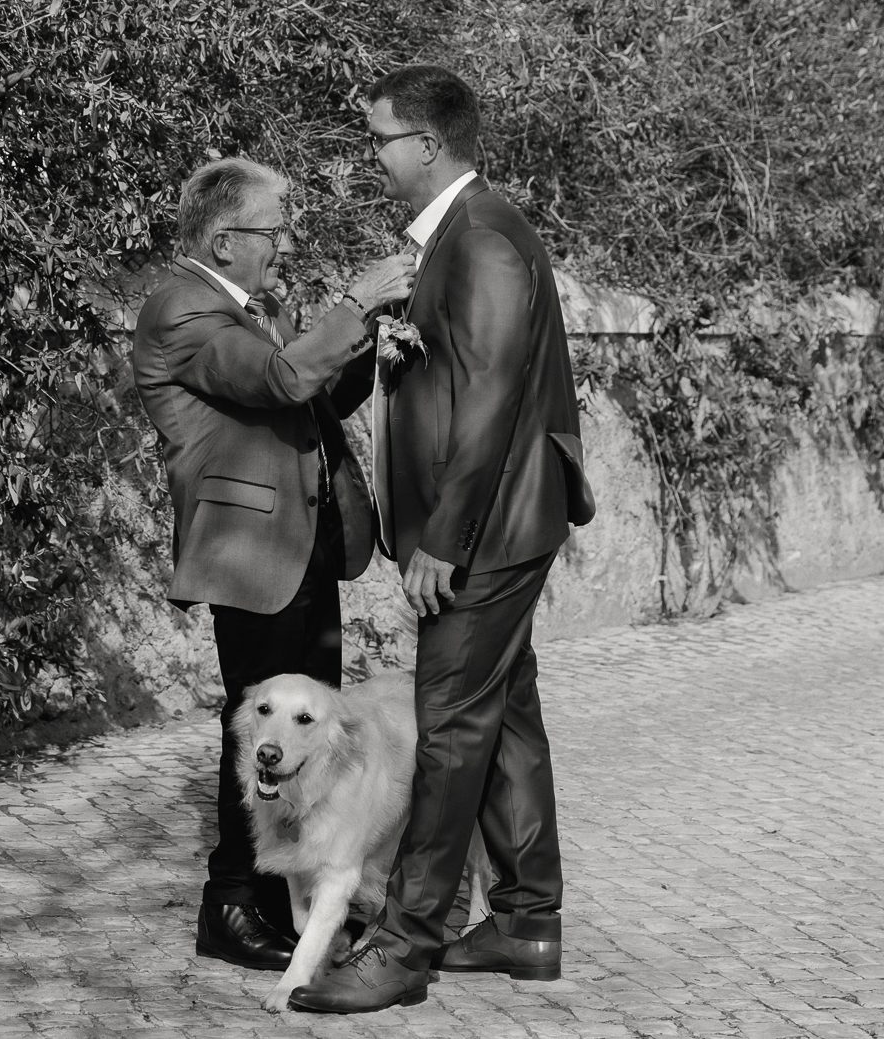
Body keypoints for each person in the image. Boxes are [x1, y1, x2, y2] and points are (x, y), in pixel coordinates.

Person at [290, 64, 594, 1014]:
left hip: (487, 532)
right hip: (492, 524)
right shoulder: (453, 237)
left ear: (426, 144)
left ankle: (404, 946)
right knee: (504, 717)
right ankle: (526, 922)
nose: (371, 158)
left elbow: (491, 399)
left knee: (451, 726)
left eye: (379, 140)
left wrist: (444, 542)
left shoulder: (485, 238)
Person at [132, 156, 415, 974]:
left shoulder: (257, 308)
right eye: (272, 230)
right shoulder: (182, 308)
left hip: (306, 547)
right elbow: (284, 377)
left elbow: (312, 397)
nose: (283, 244)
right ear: (225, 241)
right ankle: (230, 904)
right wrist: (356, 299)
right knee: (260, 732)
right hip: (252, 554)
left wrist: (374, 335)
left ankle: (298, 896)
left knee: (307, 732)